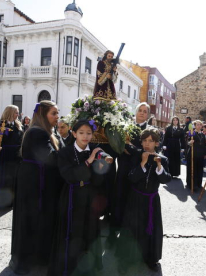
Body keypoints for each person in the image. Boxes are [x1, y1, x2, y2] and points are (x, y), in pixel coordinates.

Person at [48, 120, 113, 276]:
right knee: (72, 232)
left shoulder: (98, 153)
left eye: (89, 133)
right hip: (71, 197)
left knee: (90, 232)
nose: (85, 136)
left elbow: (98, 182)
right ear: (74, 133)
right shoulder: (65, 152)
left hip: (90, 198)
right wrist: (90, 160)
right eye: (81, 133)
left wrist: (100, 170)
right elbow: (70, 176)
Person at [9, 101, 62, 275]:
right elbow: (50, 158)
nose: (57, 117)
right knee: (32, 220)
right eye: (53, 113)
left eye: (57, 113)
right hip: (35, 184)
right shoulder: (38, 133)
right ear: (42, 115)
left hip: (34, 180)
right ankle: (28, 260)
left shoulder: (43, 132)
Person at [116, 128, 171, 274]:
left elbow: (166, 179)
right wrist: (143, 162)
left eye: (151, 141)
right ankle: (129, 257)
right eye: (145, 141)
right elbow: (132, 178)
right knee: (133, 228)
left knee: (150, 228)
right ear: (141, 142)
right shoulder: (136, 156)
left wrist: (159, 166)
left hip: (152, 200)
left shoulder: (163, 159)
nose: (147, 144)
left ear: (156, 143)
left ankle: (150, 258)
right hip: (135, 198)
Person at [108, 102, 151, 248]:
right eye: (140, 110)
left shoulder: (150, 131)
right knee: (118, 201)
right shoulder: (124, 127)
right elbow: (119, 147)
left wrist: (131, 149)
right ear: (136, 111)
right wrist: (135, 150)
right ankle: (112, 235)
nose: (142, 113)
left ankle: (132, 239)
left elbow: (148, 150)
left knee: (135, 205)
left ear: (148, 115)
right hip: (124, 170)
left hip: (140, 172)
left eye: (145, 111)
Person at [0, 105, 24, 211]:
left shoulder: (18, 125)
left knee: (13, 179)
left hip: (15, 156)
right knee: (1, 178)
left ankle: (11, 201)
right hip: (3, 155)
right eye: (16, 112)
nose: (17, 114)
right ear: (9, 112)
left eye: (18, 112)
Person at [186, 120, 206, 191]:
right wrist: (190, 142)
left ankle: (198, 183)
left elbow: (204, 145)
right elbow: (187, 142)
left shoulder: (203, 135)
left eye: (200, 125)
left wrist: (205, 154)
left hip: (200, 154)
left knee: (199, 169)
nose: (199, 126)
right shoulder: (191, 133)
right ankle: (191, 184)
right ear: (195, 125)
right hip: (193, 153)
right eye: (197, 124)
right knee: (192, 169)